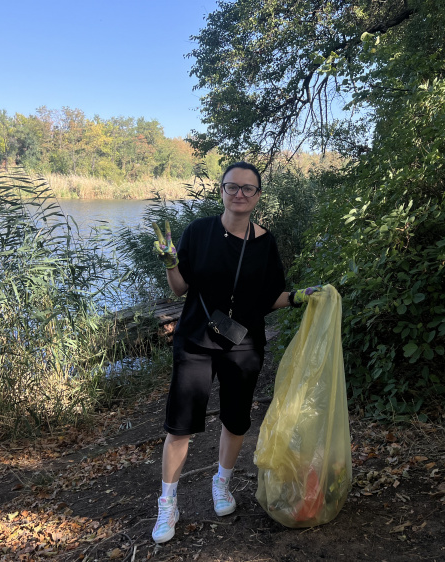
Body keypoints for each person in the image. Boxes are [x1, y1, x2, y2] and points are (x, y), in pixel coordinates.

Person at [150, 161, 322, 544]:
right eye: (233, 187)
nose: (240, 193)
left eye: (248, 188)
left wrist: (298, 297)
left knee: (236, 420)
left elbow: (270, 296)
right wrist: (170, 263)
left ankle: (221, 484)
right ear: (222, 191)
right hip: (195, 340)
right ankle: (168, 502)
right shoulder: (199, 231)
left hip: (243, 345)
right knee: (180, 426)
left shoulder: (265, 242)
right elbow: (180, 288)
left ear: (258, 196)